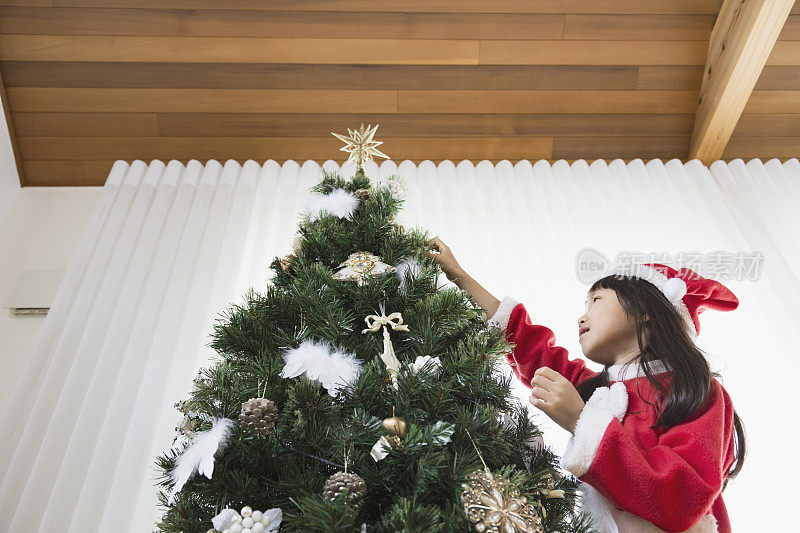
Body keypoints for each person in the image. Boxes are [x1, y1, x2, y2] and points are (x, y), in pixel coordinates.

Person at [424, 237, 746, 533]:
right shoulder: (596, 389)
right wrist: (459, 276)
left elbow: (681, 497)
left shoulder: (693, 390)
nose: (582, 316)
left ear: (646, 310)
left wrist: (581, 421)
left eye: (597, 301)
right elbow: (528, 345)